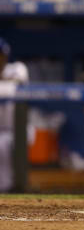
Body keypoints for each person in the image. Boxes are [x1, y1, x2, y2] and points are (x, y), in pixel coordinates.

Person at [0, 38, 29, 192]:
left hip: (18, 129)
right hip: (2, 131)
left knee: (5, 143)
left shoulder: (17, 68)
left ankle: (17, 187)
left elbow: (17, 84)